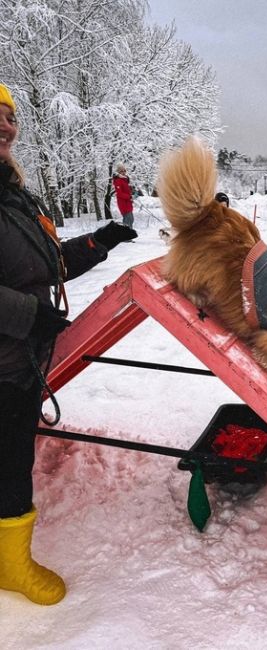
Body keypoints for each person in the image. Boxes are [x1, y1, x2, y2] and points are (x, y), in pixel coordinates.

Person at [0, 83, 137, 606]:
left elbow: (39, 264)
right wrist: (31, 315)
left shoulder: (12, 195)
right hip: (6, 361)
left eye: (9, 116)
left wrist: (96, 243)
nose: (6, 126)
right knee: (9, 466)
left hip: (18, 357)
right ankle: (10, 567)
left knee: (10, 457)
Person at [112, 163, 134, 228]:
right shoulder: (118, 181)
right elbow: (119, 193)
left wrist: (131, 193)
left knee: (131, 219)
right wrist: (128, 196)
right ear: (118, 172)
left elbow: (126, 191)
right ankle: (127, 237)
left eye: (124, 170)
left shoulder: (125, 180)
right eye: (121, 171)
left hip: (128, 203)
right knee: (127, 221)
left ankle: (129, 236)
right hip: (123, 204)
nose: (123, 172)